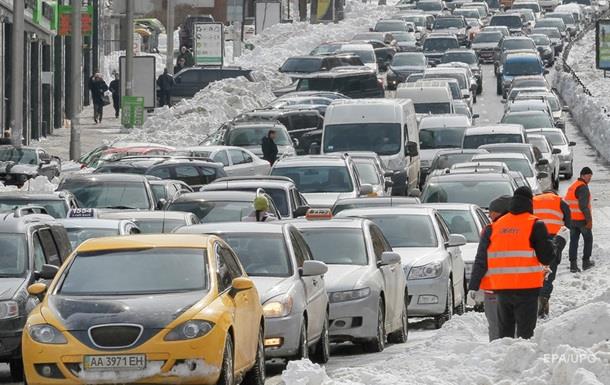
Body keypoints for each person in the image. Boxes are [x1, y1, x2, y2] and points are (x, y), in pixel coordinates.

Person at [469, 187, 555, 339]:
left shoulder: (493, 227)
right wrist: (558, 242)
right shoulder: (535, 224)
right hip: (528, 289)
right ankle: (523, 360)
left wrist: (473, 286)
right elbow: (546, 258)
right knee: (525, 334)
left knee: (505, 334)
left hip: (502, 289)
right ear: (530, 203)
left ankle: (505, 360)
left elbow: (481, 259)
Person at [468, 195, 511, 342]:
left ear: (499, 212)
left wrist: (473, 286)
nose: (489, 214)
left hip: (493, 288)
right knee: (515, 325)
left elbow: (481, 260)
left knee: (495, 325)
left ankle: (497, 353)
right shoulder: (525, 227)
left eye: (492, 211)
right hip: (518, 288)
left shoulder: (491, 230)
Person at [533, 190, 571, 318]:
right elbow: (568, 225)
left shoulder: (533, 200)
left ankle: (535, 297)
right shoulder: (560, 202)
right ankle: (543, 299)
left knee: (535, 270)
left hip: (535, 239)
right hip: (554, 239)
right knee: (549, 271)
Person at [565, 167, 594, 273]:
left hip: (572, 220)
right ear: (583, 175)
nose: (589, 179)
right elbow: (583, 206)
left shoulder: (573, 186)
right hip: (582, 220)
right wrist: (589, 220)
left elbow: (566, 203)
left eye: (591, 177)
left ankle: (573, 265)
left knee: (573, 242)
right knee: (588, 239)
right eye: (588, 176)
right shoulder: (583, 187)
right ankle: (586, 263)